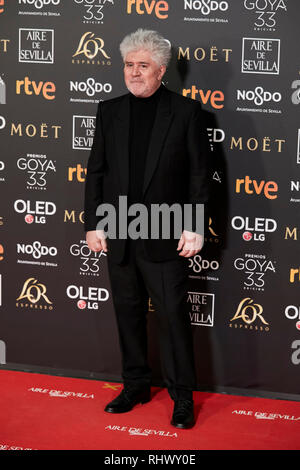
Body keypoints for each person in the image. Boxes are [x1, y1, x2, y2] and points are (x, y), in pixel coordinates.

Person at [84, 29, 210, 429]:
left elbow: (199, 177)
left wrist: (195, 227)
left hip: (167, 234)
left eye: (143, 65)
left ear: (160, 69)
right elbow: (96, 174)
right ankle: (135, 385)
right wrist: (94, 224)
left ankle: (182, 397)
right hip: (119, 231)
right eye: (128, 64)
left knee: (173, 317)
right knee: (128, 314)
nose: (134, 72)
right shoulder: (109, 110)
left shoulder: (187, 113)